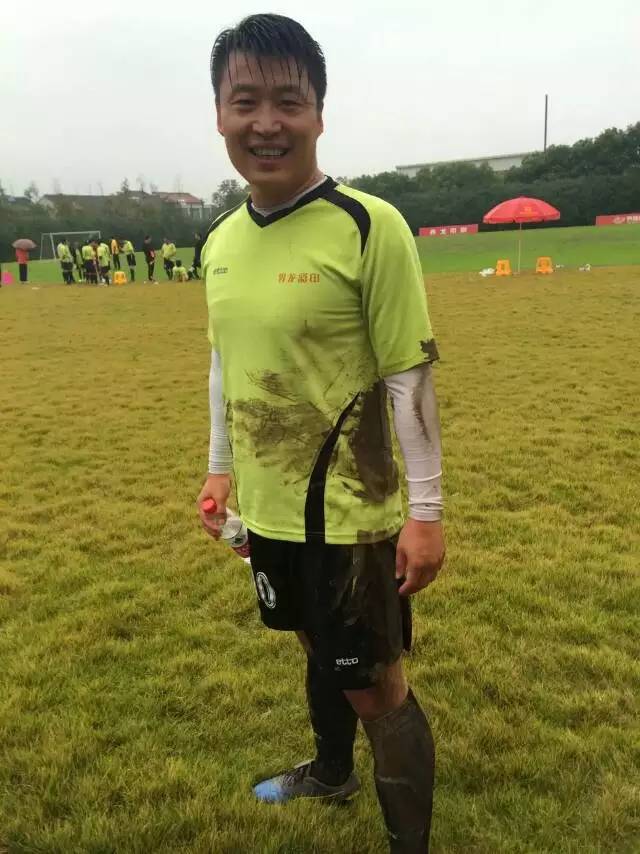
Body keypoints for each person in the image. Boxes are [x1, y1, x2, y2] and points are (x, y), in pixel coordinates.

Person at [196, 15, 445, 854]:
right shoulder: (219, 240)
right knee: (311, 645)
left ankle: (409, 843)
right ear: (220, 113)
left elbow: (409, 378)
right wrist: (220, 470)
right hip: (270, 510)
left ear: (319, 113)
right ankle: (332, 773)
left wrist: (426, 514)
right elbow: (226, 363)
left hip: (351, 515)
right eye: (245, 101)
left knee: (374, 684)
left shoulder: (369, 225)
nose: (266, 122)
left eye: (288, 101)